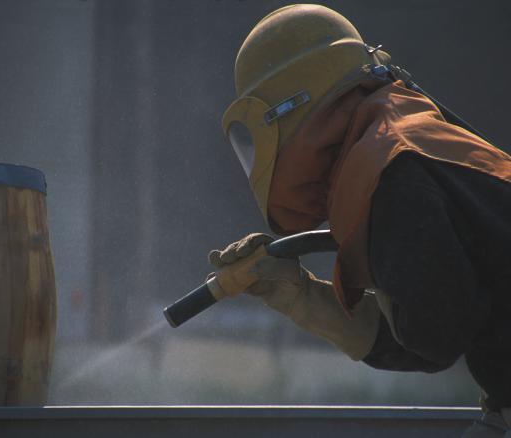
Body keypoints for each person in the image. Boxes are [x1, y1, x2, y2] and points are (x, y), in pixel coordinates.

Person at [210, 4, 511, 436]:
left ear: (287, 110)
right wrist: (300, 297)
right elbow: (437, 323)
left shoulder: (391, 172)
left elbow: (433, 338)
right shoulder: (408, 140)